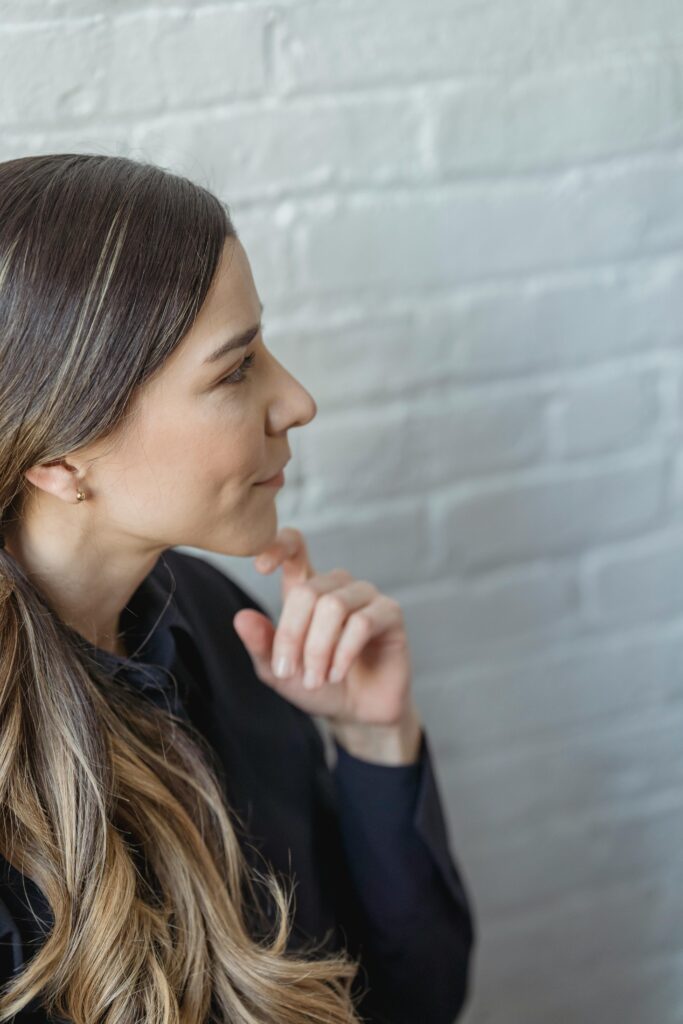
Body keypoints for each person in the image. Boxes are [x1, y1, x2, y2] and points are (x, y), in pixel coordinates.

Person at [0, 153, 476, 1024]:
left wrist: (372, 740)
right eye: (234, 370)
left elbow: (410, 999)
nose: (296, 400)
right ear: (61, 461)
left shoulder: (215, 622)